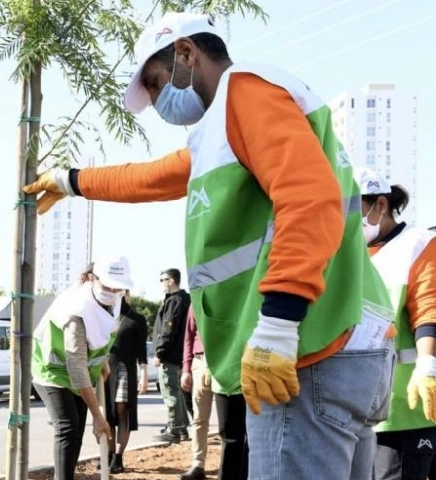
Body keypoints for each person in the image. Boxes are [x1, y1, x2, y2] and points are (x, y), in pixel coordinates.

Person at [23, 11, 397, 480]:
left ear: (185, 53)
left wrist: (278, 325)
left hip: (304, 355)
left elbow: (308, 199)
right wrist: (71, 180)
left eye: (157, 84)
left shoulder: (246, 93)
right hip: (340, 344)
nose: (158, 101)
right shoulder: (226, 126)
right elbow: (151, 178)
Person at [353, 168, 436, 480]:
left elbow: (428, 308)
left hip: (408, 406)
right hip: (361, 406)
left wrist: (428, 365)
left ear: (381, 205)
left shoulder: (419, 244)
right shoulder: (353, 253)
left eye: (355, 209)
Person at [32, 253, 134, 480]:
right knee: (68, 427)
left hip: (81, 372)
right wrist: (99, 417)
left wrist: (103, 360)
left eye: (117, 288)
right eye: (107, 285)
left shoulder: (113, 303)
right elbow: (76, 366)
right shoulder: (76, 309)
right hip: (52, 370)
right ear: (91, 278)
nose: (112, 291)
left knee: (77, 431)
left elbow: (98, 335)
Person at [102, 289, 149, 473]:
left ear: (126, 293)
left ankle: (118, 457)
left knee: (122, 410)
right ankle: (109, 454)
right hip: (104, 370)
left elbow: (142, 350)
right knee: (108, 413)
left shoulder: (136, 319)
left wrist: (144, 375)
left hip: (124, 369)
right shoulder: (103, 315)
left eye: (120, 290)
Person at [152, 268, 191, 443]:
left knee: (170, 391)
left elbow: (168, 328)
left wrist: (160, 352)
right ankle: (181, 428)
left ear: (171, 281)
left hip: (170, 355)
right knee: (177, 391)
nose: (160, 283)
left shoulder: (175, 300)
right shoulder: (184, 299)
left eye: (162, 279)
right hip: (178, 355)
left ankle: (174, 428)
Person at [181, 305, 213, 480]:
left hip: (225, 361)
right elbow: (189, 336)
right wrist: (186, 368)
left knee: (230, 421)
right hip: (200, 362)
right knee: (199, 418)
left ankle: (234, 464)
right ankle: (198, 464)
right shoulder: (195, 300)